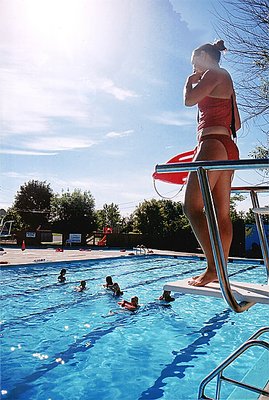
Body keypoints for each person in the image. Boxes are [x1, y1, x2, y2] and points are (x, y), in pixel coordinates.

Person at [183, 40, 241, 287]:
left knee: (192, 207)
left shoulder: (213, 73)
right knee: (221, 214)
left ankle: (212, 267)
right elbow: (236, 124)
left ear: (206, 56)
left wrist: (188, 83)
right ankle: (219, 268)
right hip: (228, 146)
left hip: (212, 144)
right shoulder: (225, 78)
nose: (194, 66)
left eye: (195, 60)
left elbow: (189, 100)